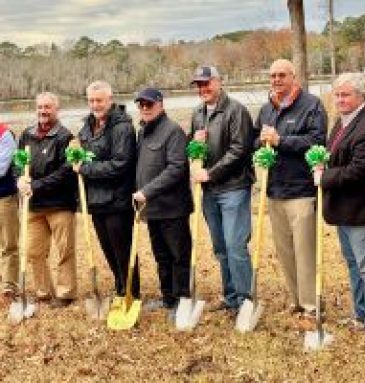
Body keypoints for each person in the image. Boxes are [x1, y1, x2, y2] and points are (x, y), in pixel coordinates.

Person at [320, 72, 365, 333]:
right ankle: (362, 314)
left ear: (361, 95)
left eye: (345, 94)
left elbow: (360, 169)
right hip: (345, 208)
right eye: (337, 94)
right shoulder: (342, 122)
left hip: (363, 208)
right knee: (354, 264)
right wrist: (322, 162)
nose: (340, 99)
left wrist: (324, 176)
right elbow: (337, 157)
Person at [254, 58, 327, 317]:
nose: (276, 80)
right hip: (274, 191)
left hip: (301, 190)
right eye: (272, 75)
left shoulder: (312, 105)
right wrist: (260, 145)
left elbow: (318, 141)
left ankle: (311, 305)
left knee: (304, 251)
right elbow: (256, 140)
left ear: (293, 77)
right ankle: (296, 299)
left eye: (282, 75)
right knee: (285, 252)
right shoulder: (266, 110)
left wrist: (281, 140)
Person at [190, 65, 254, 312]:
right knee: (220, 246)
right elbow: (193, 149)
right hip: (209, 192)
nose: (203, 88)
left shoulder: (236, 111)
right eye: (198, 84)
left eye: (207, 83)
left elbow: (240, 150)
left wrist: (211, 173)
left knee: (235, 245)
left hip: (234, 188)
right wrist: (193, 147)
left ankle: (246, 300)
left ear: (219, 82)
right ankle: (231, 297)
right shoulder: (197, 113)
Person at [74, 81, 139, 301]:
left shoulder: (123, 127)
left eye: (99, 100)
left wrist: (86, 168)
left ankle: (132, 291)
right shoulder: (87, 126)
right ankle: (120, 287)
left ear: (110, 100)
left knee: (123, 249)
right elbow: (83, 154)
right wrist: (75, 157)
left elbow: (121, 164)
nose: (95, 105)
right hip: (96, 199)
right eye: (91, 100)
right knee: (108, 249)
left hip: (117, 199)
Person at [133, 88, 193, 312]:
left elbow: (176, 168)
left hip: (173, 207)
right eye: (141, 105)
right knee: (161, 256)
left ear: (161, 104)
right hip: (152, 209)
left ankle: (182, 299)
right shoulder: (143, 132)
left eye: (149, 104)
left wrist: (147, 191)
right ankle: (168, 297)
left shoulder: (173, 131)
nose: (145, 109)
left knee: (179, 255)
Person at [17, 92, 77, 308]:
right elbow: (19, 162)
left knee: (64, 250)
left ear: (56, 109)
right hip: (33, 206)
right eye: (40, 107)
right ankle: (43, 292)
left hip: (60, 203)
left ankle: (66, 293)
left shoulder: (65, 136)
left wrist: (36, 185)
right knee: (34, 252)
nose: (43, 111)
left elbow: (66, 171)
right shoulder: (26, 134)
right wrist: (19, 180)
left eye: (48, 107)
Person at [0, 122, 19, 304]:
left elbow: (2, 167)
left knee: (8, 244)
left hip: (4, 197)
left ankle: (9, 286)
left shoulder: (5, 134)